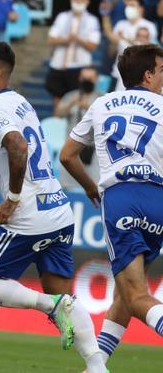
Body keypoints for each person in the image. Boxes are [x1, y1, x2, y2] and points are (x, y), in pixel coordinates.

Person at [0, 41, 104, 373]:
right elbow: (19, 149)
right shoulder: (19, 101)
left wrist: (12, 200)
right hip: (59, 212)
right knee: (64, 298)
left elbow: (19, 148)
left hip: (28, 217)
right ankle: (97, 366)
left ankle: (51, 306)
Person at [59, 44, 163, 368]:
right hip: (158, 199)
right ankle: (97, 364)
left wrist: (92, 189)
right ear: (147, 75)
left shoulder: (101, 104)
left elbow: (67, 155)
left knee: (134, 295)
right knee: (125, 292)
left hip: (121, 197)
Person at [45, 0, 100, 110]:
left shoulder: (92, 20)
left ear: (87, 2)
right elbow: (51, 40)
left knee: (76, 102)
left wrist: (78, 39)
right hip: (59, 64)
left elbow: (93, 46)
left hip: (79, 66)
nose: (78, 2)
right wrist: (66, 39)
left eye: (82, 0)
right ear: (71, 0)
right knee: (57, 101)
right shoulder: (62, 17)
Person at [53, 66, 100, 191]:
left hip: (94, 151)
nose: (87, 81)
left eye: (90, 78)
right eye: (84, 78)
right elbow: (58, 114)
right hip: (71, 148)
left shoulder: (101, 99)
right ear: (79, 78)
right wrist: (71, 103)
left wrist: (89, 107)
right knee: (66, 188)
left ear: (96, 79)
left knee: (95, 188)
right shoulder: (71, 96)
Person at [103, 0, 158, 90]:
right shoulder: (120, 24)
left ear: (141, 8)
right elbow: (111, 50)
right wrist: (114, 42)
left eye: (132, 5)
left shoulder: (149, 26)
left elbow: (150, 51)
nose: (128, 8)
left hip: (138, 77)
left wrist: (124, 38)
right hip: (117, 73)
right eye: (127, 5)